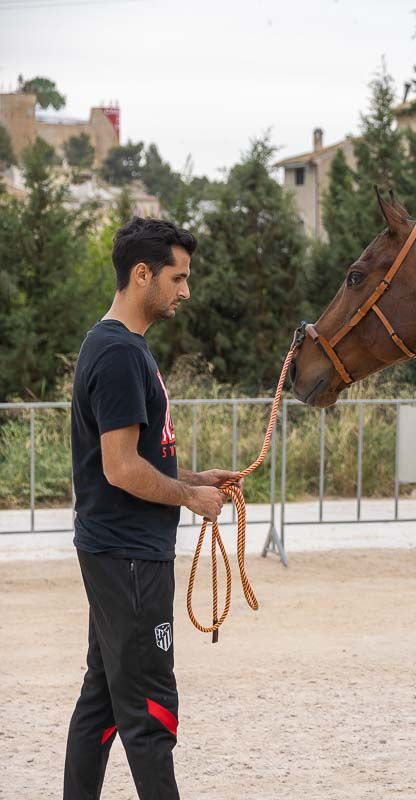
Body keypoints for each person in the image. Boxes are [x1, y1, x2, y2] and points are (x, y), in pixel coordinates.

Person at [65, 217, 242, 800]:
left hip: (117, 553)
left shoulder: (119, 345)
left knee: (103, 703)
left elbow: (139, 457)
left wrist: (195, 476)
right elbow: (119, 468)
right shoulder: (118, 354)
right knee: (149, 712)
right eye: (177, 277)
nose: (185, 291)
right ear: (142, 275)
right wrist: (192, 498)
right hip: (130, 559)